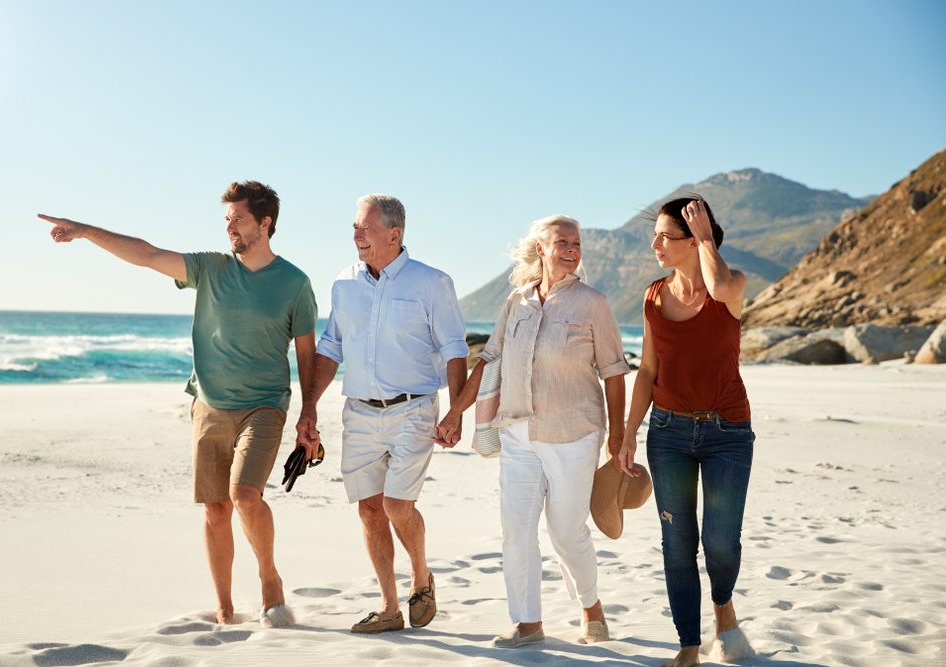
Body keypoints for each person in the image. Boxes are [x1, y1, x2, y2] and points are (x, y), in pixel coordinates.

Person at [39, 181, 317, 628]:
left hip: (264, 406)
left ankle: (269, 578)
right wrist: (86, 231)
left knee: (244, 496)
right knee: (215, 508)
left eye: (238, 219)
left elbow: (307, 353)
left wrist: (309, 413)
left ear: (265, 223)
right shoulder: (210, 268)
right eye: (226, 219)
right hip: (208, 404)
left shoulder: (294, 284)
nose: (230, 227)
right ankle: (225, 607)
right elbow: (147, 254)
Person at [436, 215, 630, 647]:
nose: (571, 249)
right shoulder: (516, 302)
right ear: (540, 249)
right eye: (562, 241)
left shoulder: (593, 303)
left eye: (576, 243)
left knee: (566, 532)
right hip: (517, 432)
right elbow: (488, 361)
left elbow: (615, 372)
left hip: (574, 433)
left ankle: (591, 605)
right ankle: (527, 622)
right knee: (516, 530)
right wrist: (456, 414)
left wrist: (618, 437)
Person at [297, 194, 468, 634]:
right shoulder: (344, 283)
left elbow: (453, 349)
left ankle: (422, 575)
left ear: (394, 234)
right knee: (370, 510)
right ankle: (390, 607)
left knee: (396, 504)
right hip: (358, 412)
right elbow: (331, 347)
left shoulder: (432, 283)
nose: (356, 235)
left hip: (414, 408)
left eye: (365, 227)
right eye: (354, 226)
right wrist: (309, 407)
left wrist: (454, 411)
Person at [618, 197, 755, 667]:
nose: (655, 244)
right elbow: (648, 369)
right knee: (677, 542)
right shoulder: (653, 295)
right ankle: (688, 646)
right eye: (654, 234)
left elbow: (714, 286)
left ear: (695, 240)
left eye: (665, 236)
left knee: (720, 542)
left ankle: (723, 606)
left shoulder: (732, 285)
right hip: (669, 434)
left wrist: (704, 239)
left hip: (728, 433)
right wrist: (628, 430)